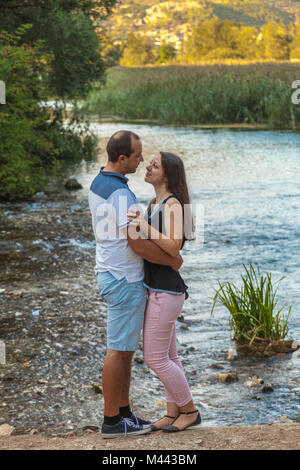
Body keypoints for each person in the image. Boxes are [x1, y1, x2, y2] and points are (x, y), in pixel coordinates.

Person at [88, 131, 183, 439]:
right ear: (122, 158)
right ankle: (113, 421)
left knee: (125, 350)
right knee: (118, 351)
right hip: (123, 279)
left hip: (110, 273)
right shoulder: (121, 195)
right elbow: (137, 244)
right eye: (138, 155)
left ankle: (124, 413)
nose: (142, 160)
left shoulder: (99, 182)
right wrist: (171, 262)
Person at [127, 152, 201, 432]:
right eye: (150, 163)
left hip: (167, 292)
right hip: (157, 289)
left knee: (155, 358)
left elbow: (172, 247)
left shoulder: (173, 204)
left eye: (155, 165)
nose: (148, 166)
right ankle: (172, 413)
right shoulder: (154, 203)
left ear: (168, 175)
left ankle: (190, 410)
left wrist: (143, 225)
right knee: (169, 357)